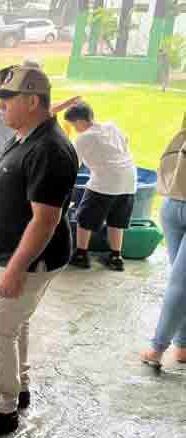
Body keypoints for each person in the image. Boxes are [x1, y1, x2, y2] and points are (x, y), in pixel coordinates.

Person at [0, 66, 78, 436]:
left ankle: (2, 408)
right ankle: (16, 386)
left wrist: (15, 270)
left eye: (6, 101)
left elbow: (45, 220)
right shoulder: (24, 134)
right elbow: (4, 183)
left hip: (29, 259)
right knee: (13, 323)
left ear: (32, 101)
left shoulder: (51, 149)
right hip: (10, 252)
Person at [64, 102, 137, 271]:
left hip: (104, 183)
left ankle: (81, 254)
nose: (74, 128)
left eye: (73, 124)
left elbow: (72, 163)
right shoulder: (111, 126)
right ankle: (116, 257)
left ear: (80, 121)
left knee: (85, 218)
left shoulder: (84, 137)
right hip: (129, 180)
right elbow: (126, 140)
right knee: (116, 220)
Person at [140, 136, 186, 365]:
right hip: (174, 201)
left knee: (181, 281)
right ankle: (162, 348)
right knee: (182, 283)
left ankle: (181, 345)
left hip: (173, 199)